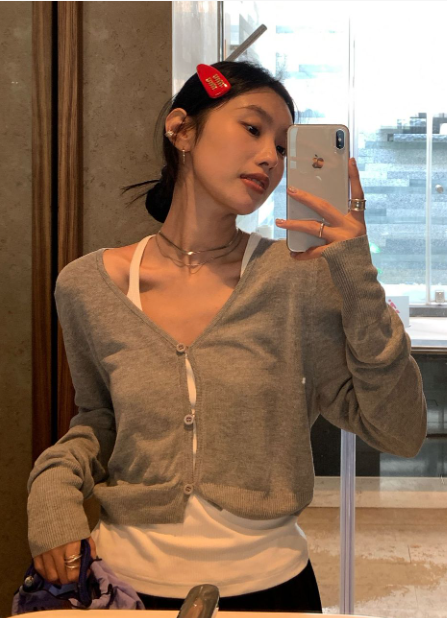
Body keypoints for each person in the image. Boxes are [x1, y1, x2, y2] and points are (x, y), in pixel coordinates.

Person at [27, 61, 427, 613]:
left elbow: (400, 432)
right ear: (181, 130)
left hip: (273, 589)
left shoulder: (300, 280)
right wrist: (51, 488)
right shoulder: (87, 286)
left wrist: (356, 274)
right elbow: (100, 423)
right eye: (253, 128)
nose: (271, 157)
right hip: (125, 592)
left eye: (283, 147)